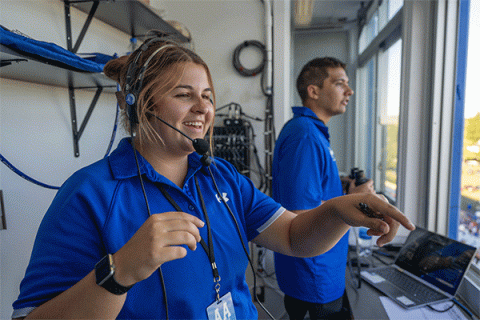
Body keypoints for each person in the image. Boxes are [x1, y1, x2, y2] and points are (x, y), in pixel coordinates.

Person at [12, 38, 414, 320]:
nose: (203, 108)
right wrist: (120, 272)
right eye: (185, 94)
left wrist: (334, 213)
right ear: (140, 104)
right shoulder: (90, 193)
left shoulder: (221, 176)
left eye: (208, 96)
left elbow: (293, 237)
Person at [272, 57, 376, 320]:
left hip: (320, 268)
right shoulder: (305, 136)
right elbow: (299, 214)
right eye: (340, 83)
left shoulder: (312, 132)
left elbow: (313, 194)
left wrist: (345, 192)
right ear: (314, 91)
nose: (349, 91)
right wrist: (353, 200)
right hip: (314, 272)